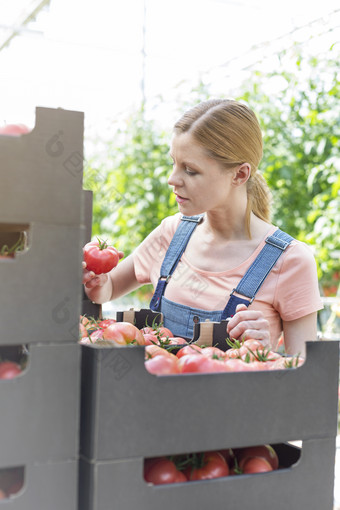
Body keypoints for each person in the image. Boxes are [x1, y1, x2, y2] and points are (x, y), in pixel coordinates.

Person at [83, 99, 323, 356]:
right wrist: (98, 281)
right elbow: (108, 289)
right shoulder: (171, 234)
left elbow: (306, 376)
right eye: (173, 163)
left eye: (190, 170)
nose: (172, 179)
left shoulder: (291, 261)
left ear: (240, 175)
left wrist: (264, 351)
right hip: (150, 394)